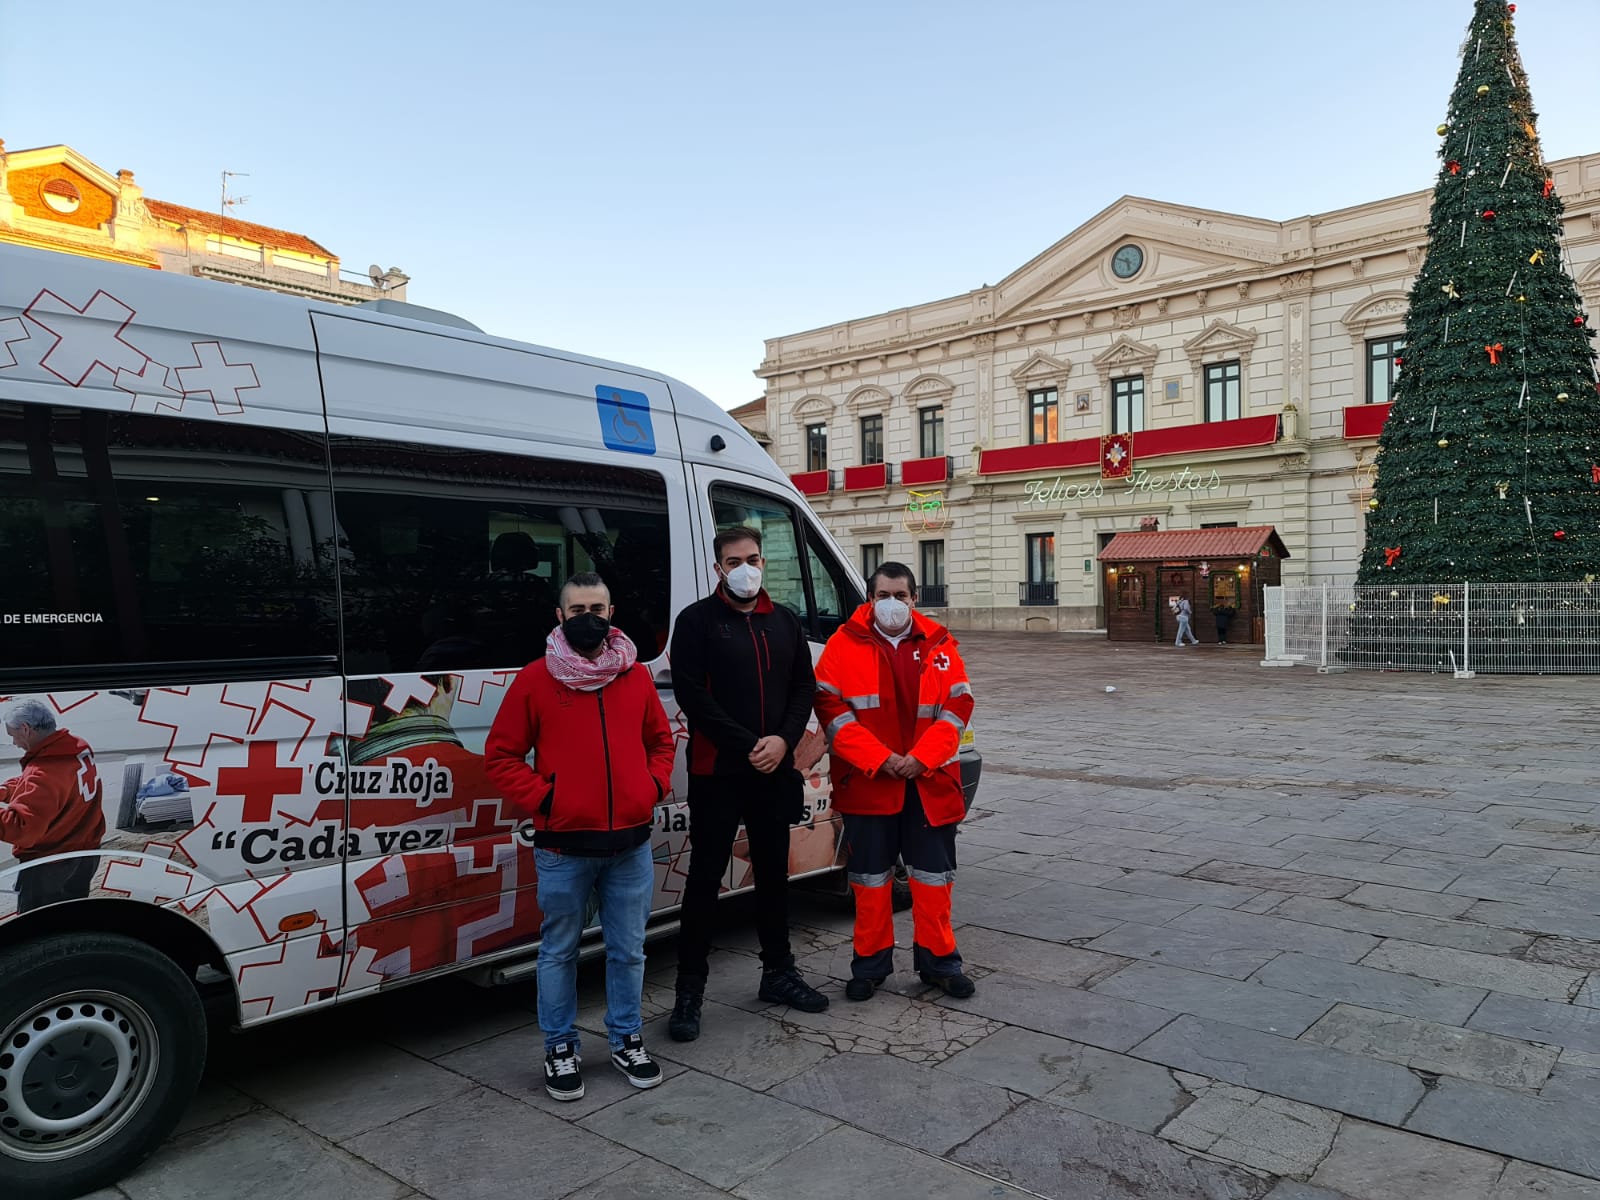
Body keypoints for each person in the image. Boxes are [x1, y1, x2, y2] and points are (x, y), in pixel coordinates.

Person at [484, 573, 675, 1101]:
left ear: (612, 612)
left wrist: (651, 786)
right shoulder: (535, 679)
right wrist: (547, 799)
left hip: (630, 843)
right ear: (560, 617)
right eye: (576, 610)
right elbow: (500, 756)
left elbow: (661, 741)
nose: (587, 617)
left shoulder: (634, 677)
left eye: (597, 607)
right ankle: (560, 1046)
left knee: (629, 950)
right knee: (558, 951)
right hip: (564, 846)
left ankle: (626, 1037)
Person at [667, 525, 828, 1043]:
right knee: (705, 880)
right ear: (718, 568)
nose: (745, 569)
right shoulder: (695, 622)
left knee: (773, 874)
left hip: (773, 768)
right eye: (734, 561)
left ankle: (779, 972)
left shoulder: (783, 620)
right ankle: (689, 990)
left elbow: (803, 684)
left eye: (753, 558)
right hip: (719, 771)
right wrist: (747, 744)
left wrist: (782, 741)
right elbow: (693, 695)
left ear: (764, 561)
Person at [813, 562, 977, 1001]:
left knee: (933, 879)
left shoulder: (940, 643)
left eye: (900, 596)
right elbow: (830, 711)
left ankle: (940, 963)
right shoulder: (842, 645)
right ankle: (869, 966)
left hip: (928, 783)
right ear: (870, 599)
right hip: (871, 783)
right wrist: (882, 759)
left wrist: (919, 759)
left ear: (914, 598)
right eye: (883, 595)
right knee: (869, 882)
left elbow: (958, 707)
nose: (892, 604)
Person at [0, 698, 107, 913]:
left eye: (13, 735)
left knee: (39, 931)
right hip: (85, 853)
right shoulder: (77, 746)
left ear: (25, 729)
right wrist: (6, 790)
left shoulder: (42, 770)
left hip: (50, 865)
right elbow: (56, 789)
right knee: (70, 919)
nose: (14, 743)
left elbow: (23, 829)